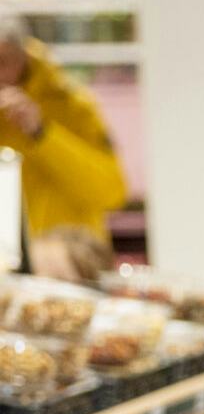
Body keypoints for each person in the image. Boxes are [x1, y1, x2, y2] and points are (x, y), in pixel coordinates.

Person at [0, 15, 126, 252]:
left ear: (22, 55)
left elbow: (111, 192)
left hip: (71, 263)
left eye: (2, 61)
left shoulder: (72, 104)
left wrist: (42, 133)